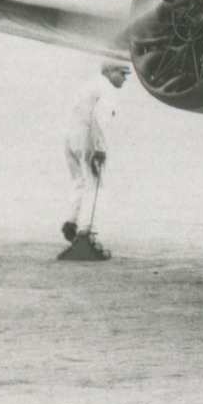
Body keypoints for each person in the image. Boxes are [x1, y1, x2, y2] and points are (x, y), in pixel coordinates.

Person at [59, 63, 128, 261]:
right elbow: (99, 117)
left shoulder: (87, 86)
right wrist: (100, 149)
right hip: (87, 140)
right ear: (107, 72)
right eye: (121, 73)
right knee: (96, 186)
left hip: (69, 139)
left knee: (80, 183)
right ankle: (87, 236)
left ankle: (71, 222)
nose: (124, 78)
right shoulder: (107, 89)